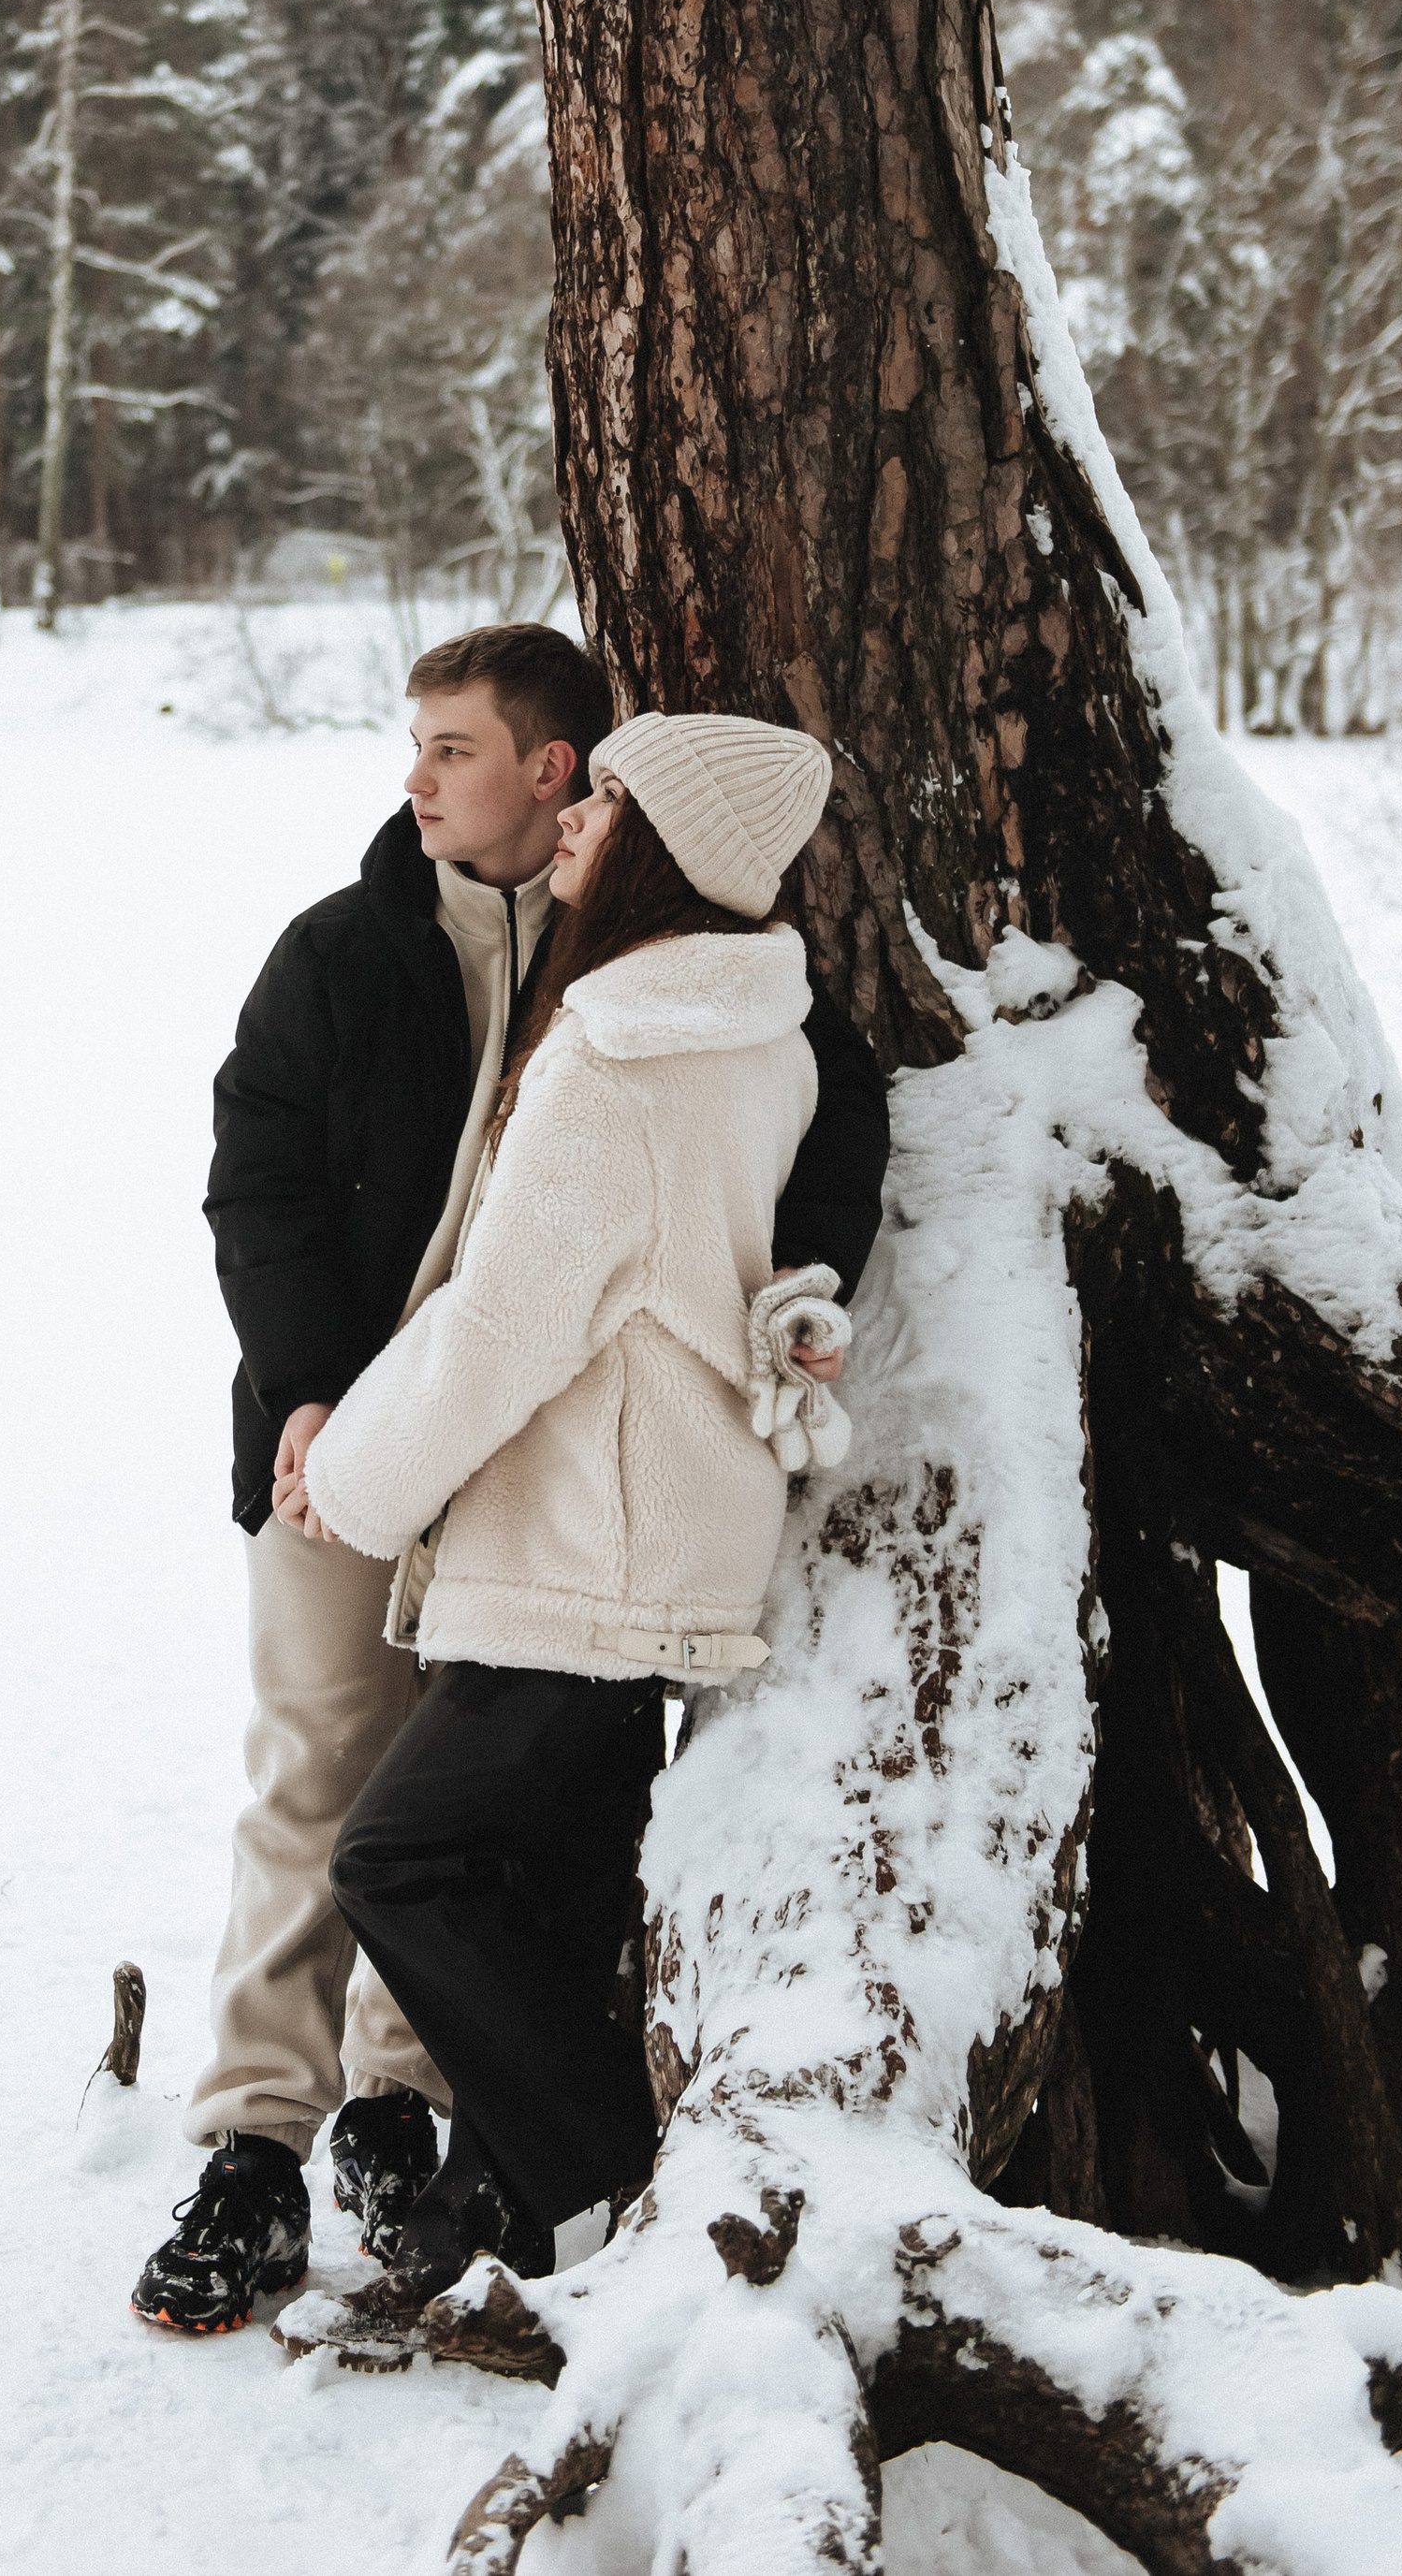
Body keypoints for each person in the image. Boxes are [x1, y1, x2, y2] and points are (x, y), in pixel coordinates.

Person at [129, 640, 888, 2336]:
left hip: (543, 1474)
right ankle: (259, 2139)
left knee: (447, 1814)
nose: (415, 779)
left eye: (452, 748)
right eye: (415, 746)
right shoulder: (344, 951)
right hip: (346, 1445)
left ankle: (409, 2125)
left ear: (559, 774)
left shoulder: (665, 969)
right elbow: (258, 1191)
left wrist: (808, 1276)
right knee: (324, 1772)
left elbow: (831, 1138)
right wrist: (322, 1409)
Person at [303, 712, 853, 2295]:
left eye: (608, 800)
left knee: (398, 1865)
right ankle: (536, 2222)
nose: (574, 822)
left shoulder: (617, 1049)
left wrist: (351, 1477)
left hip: (585, 1542)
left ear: (662, 845)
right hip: (670, 1522)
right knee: (542, 1907)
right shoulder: (761, 1022)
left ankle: (626, 2195)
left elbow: (501, 1325)